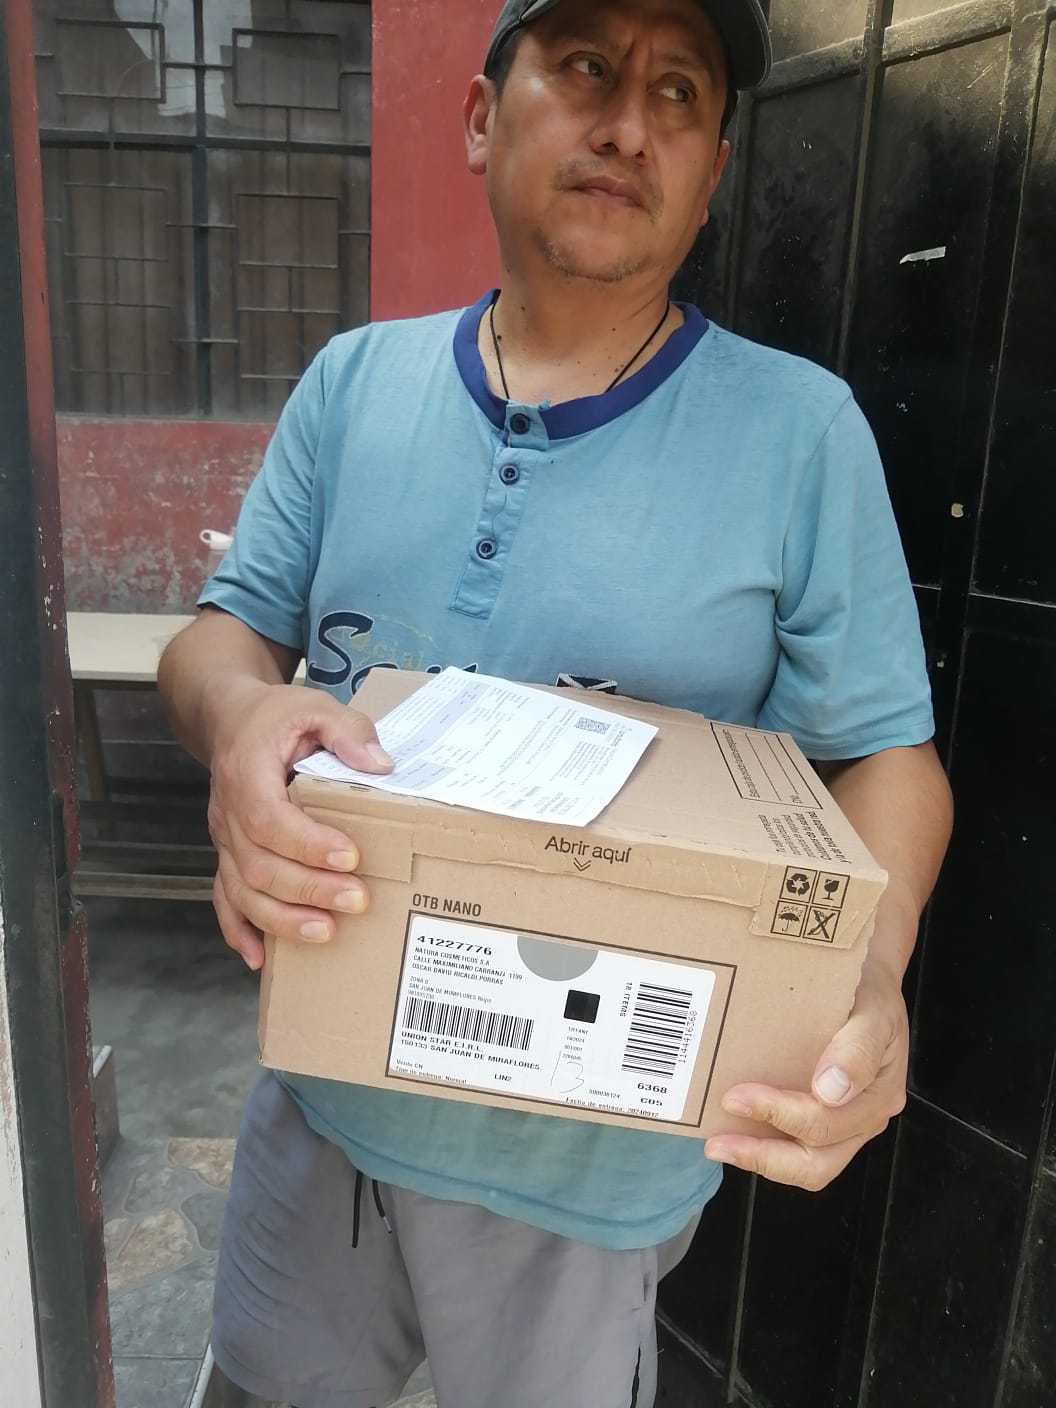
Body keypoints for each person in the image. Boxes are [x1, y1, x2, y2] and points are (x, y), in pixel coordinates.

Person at [158, 1, 954, 1404]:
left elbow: (887, 760)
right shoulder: (355, 384)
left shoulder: (799, 435)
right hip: (323, 1100)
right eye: (586, 66)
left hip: (592, 1170)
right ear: (481, 117)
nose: (629, 125)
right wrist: (240, 723)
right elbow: (221, 638)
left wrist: (868, 973)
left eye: (681, 94)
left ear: (713, 175)